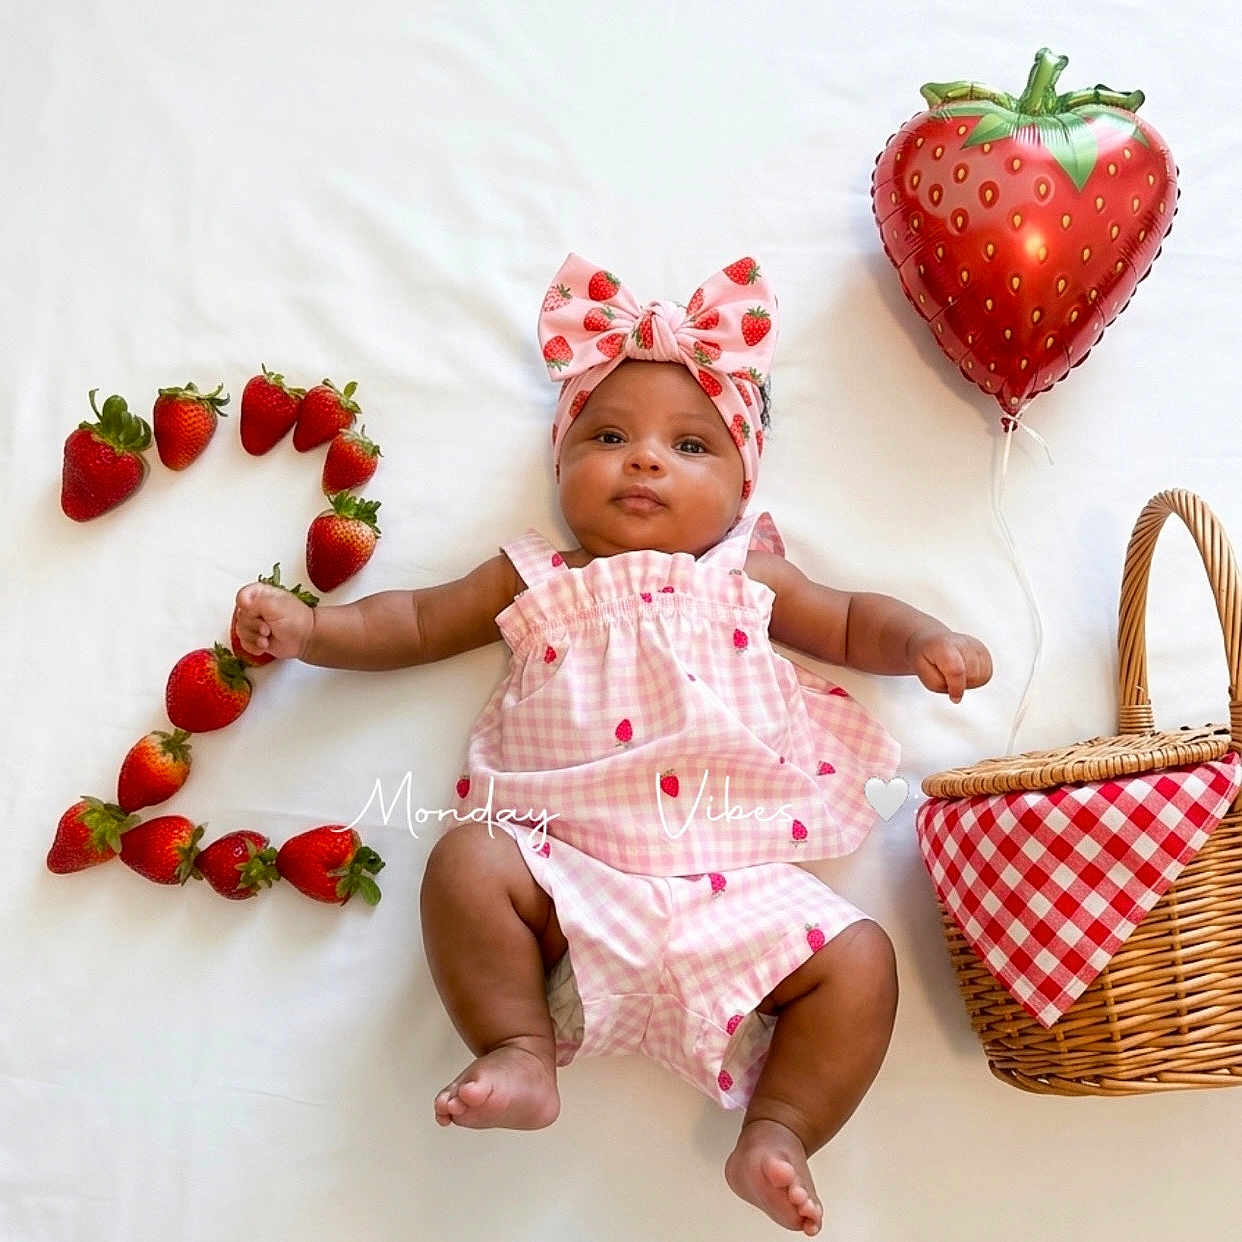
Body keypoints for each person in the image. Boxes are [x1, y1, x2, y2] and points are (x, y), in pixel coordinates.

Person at [232, 253, 992, 1236]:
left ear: (740, 484)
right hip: (569, 884)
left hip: (740, 893)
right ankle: (516, 1046)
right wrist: (314, 632)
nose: (644, 461)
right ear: (560, 465)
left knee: (860, 960)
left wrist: (925, 639)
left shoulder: (748, 573)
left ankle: (782, 1129)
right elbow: (416, 621)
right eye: (609, 435)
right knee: (467, 861)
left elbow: (849, 619)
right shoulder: (534, 577)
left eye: (689, 445)